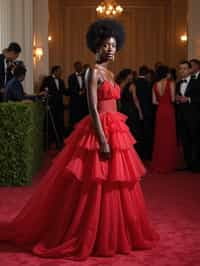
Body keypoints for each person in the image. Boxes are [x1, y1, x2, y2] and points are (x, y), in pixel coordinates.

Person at [0, 19, 159, 260]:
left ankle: (113, 231)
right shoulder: (92, 72)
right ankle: (90, 232)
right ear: (96, 45)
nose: (110, 49)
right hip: (99, 130)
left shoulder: (111, 72)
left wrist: (113, 134)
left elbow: (113, 103)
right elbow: (93, 108)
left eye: (114, 45)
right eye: (106, 45)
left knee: (116, 182)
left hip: (117, 129)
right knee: (94, 182)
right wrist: (103, 139)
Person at [151, 65, 178, 173]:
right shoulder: (171, 83)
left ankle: (159, 162)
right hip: (169, 110)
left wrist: (161, 102)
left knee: (160, 136)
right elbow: (172, 99)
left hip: (160, 111)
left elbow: (154, 102)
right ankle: (168, 164)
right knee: (169, 136)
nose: (170, 74)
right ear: (166, 73)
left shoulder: (155, 85)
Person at [176, 60, 200, 172]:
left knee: (195, 140)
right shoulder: (178, 83)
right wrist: (177, 99)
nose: (182, 71)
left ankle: (196, 165)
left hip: (194, 117)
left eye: (185, 68)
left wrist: (189, 99)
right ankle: (188, 164)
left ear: (190, 70)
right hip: (181, 116)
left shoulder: (197, 82)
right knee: (185, 141)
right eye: (180, 69)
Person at [116, 68, 143, 155]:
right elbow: (135, 100)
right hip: (132, 110)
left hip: (123, 110)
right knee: (134, 131)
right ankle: (134, 153)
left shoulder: (120, 85)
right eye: (131, 74)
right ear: (127, 76)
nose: (132, 76)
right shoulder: (132, 85)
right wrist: (140, 112)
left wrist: (119, 110)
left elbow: (118, 100)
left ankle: (127, 152)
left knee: (126, 132)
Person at [40, 65, 67, 149]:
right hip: (50, 106)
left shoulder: (61, 81)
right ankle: (48, 143)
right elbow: (42, 90)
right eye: (59, 71)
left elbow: (64, 91)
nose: (61, 73)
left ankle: (59, 142)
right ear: (54, 71)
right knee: (50, 125)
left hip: (59, 106)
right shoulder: (47, 79)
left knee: (59, 124)